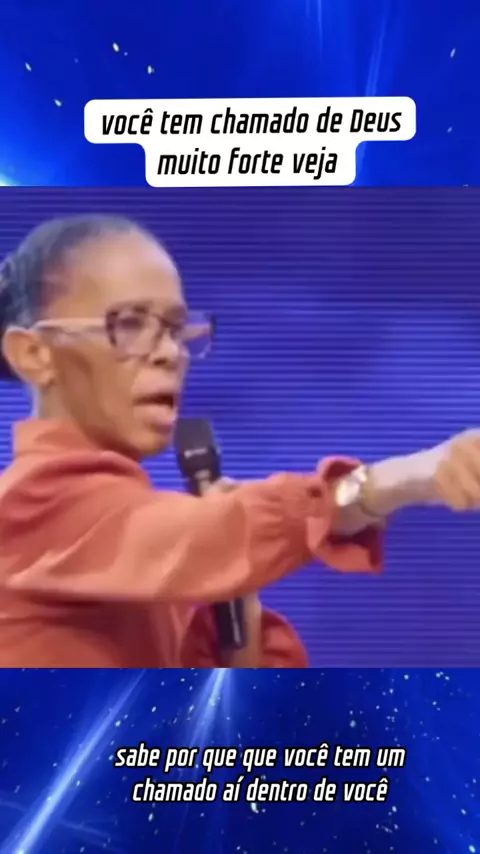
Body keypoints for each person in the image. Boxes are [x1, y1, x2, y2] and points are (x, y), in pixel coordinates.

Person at [0, 215, 479, 669]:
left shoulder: (145, 549)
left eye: (175, 329)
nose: (169, 354)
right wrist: (399, 479)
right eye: (128, 324)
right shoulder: (30, 507)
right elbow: (212, 532)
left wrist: (238, 609)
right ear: (34, 355)